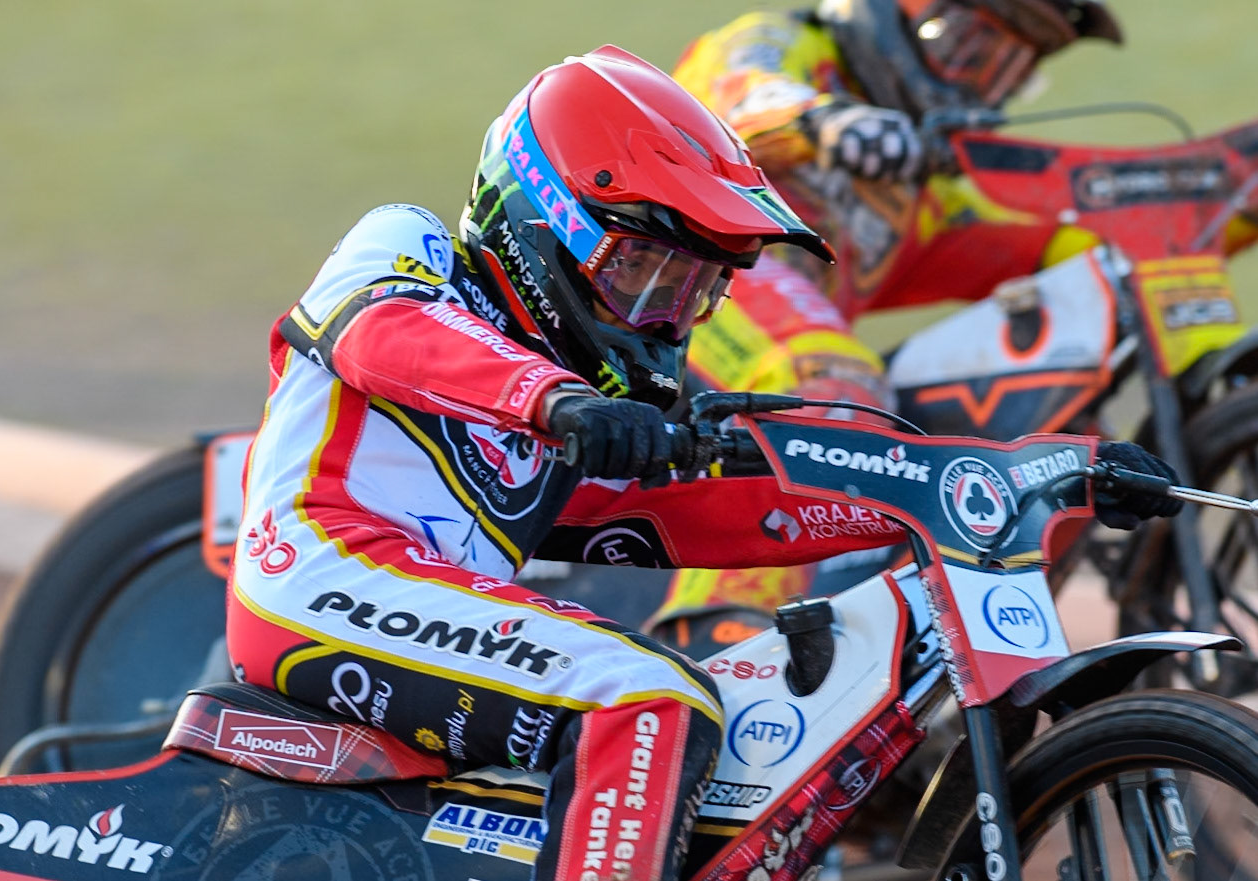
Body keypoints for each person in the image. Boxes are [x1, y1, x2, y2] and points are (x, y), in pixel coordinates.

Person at [224, 44, 1178, 881]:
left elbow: (696, 512)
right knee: (646, 698)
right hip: (315, 576)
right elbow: (380, 334)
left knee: (696, 723)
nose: (665, 316)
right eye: (645, 271)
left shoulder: (581, 400)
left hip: (419, 603)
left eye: (694, 287)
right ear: (541, 219)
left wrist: (995, 478)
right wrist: (557, 403)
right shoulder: (410, 247)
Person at [648, 0, 1132, 652]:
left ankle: (926, 649)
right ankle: (716, 626)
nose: (974, 79)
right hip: (685, 289)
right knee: (830, 378)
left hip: (732, 357)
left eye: (1004, 69)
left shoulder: (925, 197)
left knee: (1058, 448)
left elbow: (1065, 245)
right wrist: (826, 122)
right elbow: (741, 93)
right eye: (965, 42)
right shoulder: (783, 39)